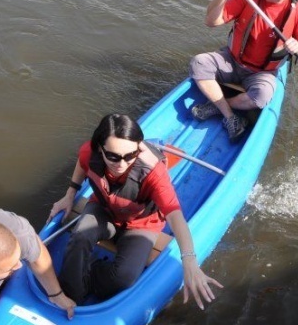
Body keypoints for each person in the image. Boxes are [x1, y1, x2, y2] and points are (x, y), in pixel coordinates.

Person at [48, 114, 222, 308]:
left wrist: (189, 261)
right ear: (100, 148)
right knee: (80, 237)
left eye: (130, 156)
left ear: (138, 148)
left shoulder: (153, 172)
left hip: (141, 223)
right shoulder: (90, 152)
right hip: (104, 209)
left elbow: (174, 215)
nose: (121, 164)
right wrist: (70, 194)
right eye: (113, 156)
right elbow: (82, 164)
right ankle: (72, 293)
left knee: (124, 278)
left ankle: (89, 273)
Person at [190, 0, 298, 140]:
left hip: (262, 72)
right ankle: (230, 116)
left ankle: (217, 106)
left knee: (262, 96)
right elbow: (211, 21)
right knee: (198, 63)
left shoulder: (297, 11)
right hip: (232, 60)